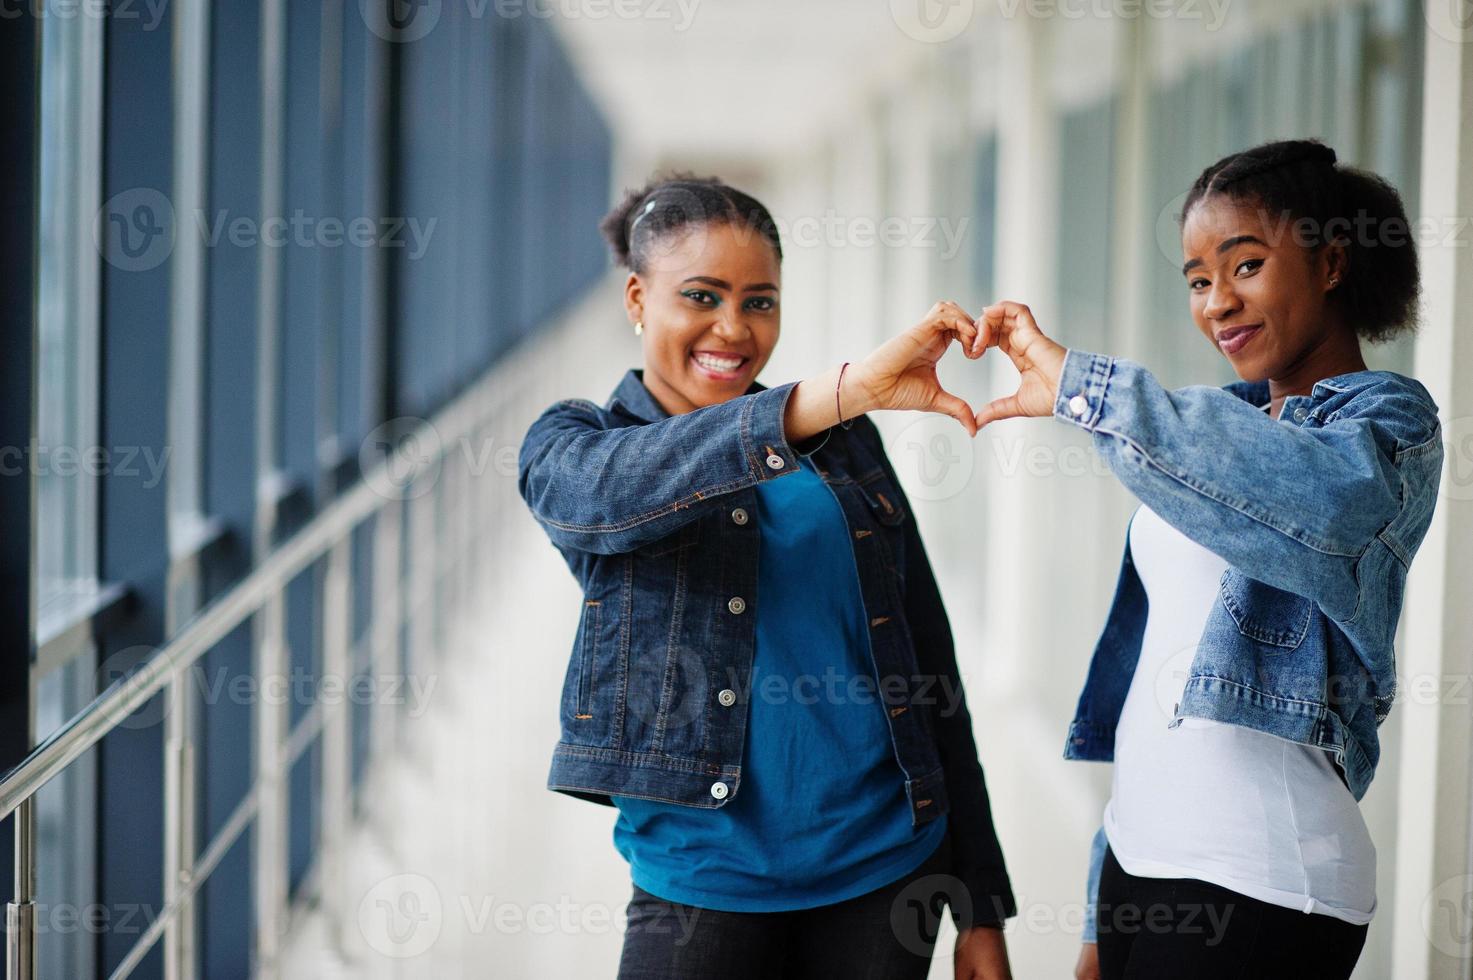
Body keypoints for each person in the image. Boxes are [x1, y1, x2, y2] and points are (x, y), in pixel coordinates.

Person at [517, 174, 1016, 979]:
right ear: (638, 298)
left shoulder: (843, 443)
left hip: (889, 873)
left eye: (759, 301)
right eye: (701, 296)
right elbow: (606, 496)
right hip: (701, 887)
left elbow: (929, 663)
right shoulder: (576, 443)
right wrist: (840, 394)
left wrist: (980, 900)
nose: (732, 328)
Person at [969, 140, 1442, 980]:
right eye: (1195, 279)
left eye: (1245, 265)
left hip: (1260, 883)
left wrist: (1084, 389)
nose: (1216, 302)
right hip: (1139, 863)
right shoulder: (1211, 432)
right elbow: (1155, 680)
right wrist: (1099, 894)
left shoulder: (1385, 430)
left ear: (1330, 263)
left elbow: (1311, 502)